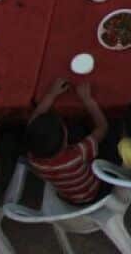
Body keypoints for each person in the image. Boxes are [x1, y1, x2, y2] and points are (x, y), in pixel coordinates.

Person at [26, 78, 109, 206]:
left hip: (69, 198)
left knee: (78, 129)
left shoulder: (33, 160)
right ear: (66, 141)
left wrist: (51, 94)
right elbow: (103, 127)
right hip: (96, 192)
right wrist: (87, 99)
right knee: (109, 138)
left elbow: (35, 118)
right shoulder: (77, 154)